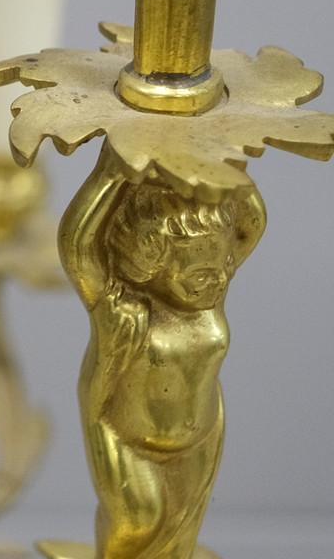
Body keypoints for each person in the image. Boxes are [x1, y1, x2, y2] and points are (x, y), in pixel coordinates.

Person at [59, 149, 265, 558]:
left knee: (179, 540)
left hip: (200, 437)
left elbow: (253, 224)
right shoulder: (122, 309)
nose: (218, 281)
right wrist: (110, 174)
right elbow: (78, 248)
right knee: (138, 520)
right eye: (200, 275)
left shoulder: (209, 300)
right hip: (125, 437)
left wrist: (228, 164)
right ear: (150, 264)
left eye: (223, 268)